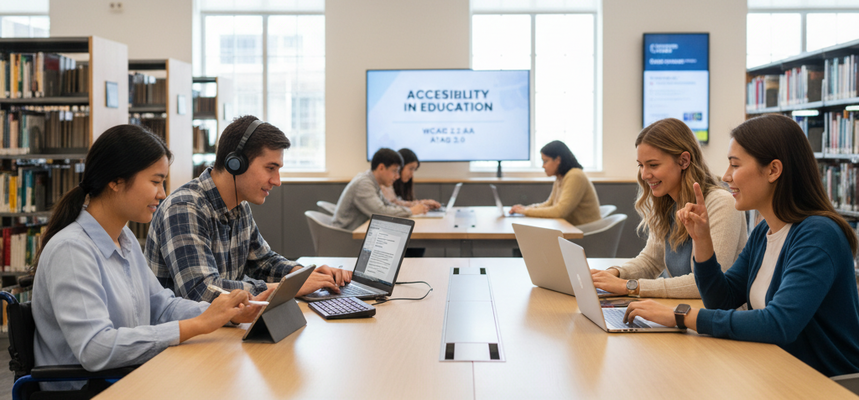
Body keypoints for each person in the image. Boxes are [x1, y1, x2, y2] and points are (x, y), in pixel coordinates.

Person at [32, 125, 261, 393]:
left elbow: (161, 307)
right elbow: (95, 348)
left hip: (128, 378)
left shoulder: (124, 238)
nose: (162, 194)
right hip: (90, 391)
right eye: (155, 181)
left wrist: (224, 314)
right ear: (115, 181)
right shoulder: (71, 250)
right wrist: (197, 325)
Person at [625, 114, 859, 377]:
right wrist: (702, 241)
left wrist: (681, 315)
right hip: (774, 368)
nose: (726, 176)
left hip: (825, 382)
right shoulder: (763, 233)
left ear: (773, 170)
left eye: (735, 165)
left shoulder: (818, 235)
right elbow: (720, 299)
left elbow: (779, 323)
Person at [146, 115, 351, 302]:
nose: (277, 181)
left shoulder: (239, 206)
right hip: (188, 339)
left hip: (224, 329)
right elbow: (201, 291)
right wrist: (283, 288)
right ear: (236, 163)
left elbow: (263, 262)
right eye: (270, 168)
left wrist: (304, 275)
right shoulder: (185, 208)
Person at [590, 118, 747, 298]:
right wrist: (613, 274)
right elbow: (650, 261)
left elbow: (707, 284)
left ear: (684, 161)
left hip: (716, 319)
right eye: (641, 165)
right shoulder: (668, 201)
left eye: (653, 165)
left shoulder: (721, 203)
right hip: (681, 310)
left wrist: (630, 286)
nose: (644, 174)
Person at [332, 148, 428, 231]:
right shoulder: (363, 184)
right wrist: (411, 211)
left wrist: (411, 209)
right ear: (381, 168)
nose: (397, 176)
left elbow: (388, 205)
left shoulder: (372, 183)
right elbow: (380, 213)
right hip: (346, 239)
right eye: (394, 171)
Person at [509, 140, 601, 226]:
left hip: (585, 233)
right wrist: (525, 209)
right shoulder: (560, 177)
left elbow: (560, 211)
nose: (543, 166)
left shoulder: (575, 176)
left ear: (558, 160)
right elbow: (549, 204)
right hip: (570, 229)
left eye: (545, 161)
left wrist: (526, 211)